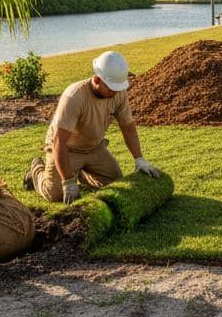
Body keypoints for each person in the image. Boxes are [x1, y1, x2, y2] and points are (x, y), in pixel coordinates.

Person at [24, 51, 161, 203]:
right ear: (97, 79)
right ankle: (36, 171)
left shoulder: (118, 93)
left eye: (117, 88)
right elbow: (59, 142)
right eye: (111, 88)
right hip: (68, 149)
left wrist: (139, 159)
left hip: (95, 148)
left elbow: (127, 126)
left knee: (115, 184)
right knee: (55, 194)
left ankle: (78, 172)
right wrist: (67, 182)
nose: (115, 93)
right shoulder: (74, 97)